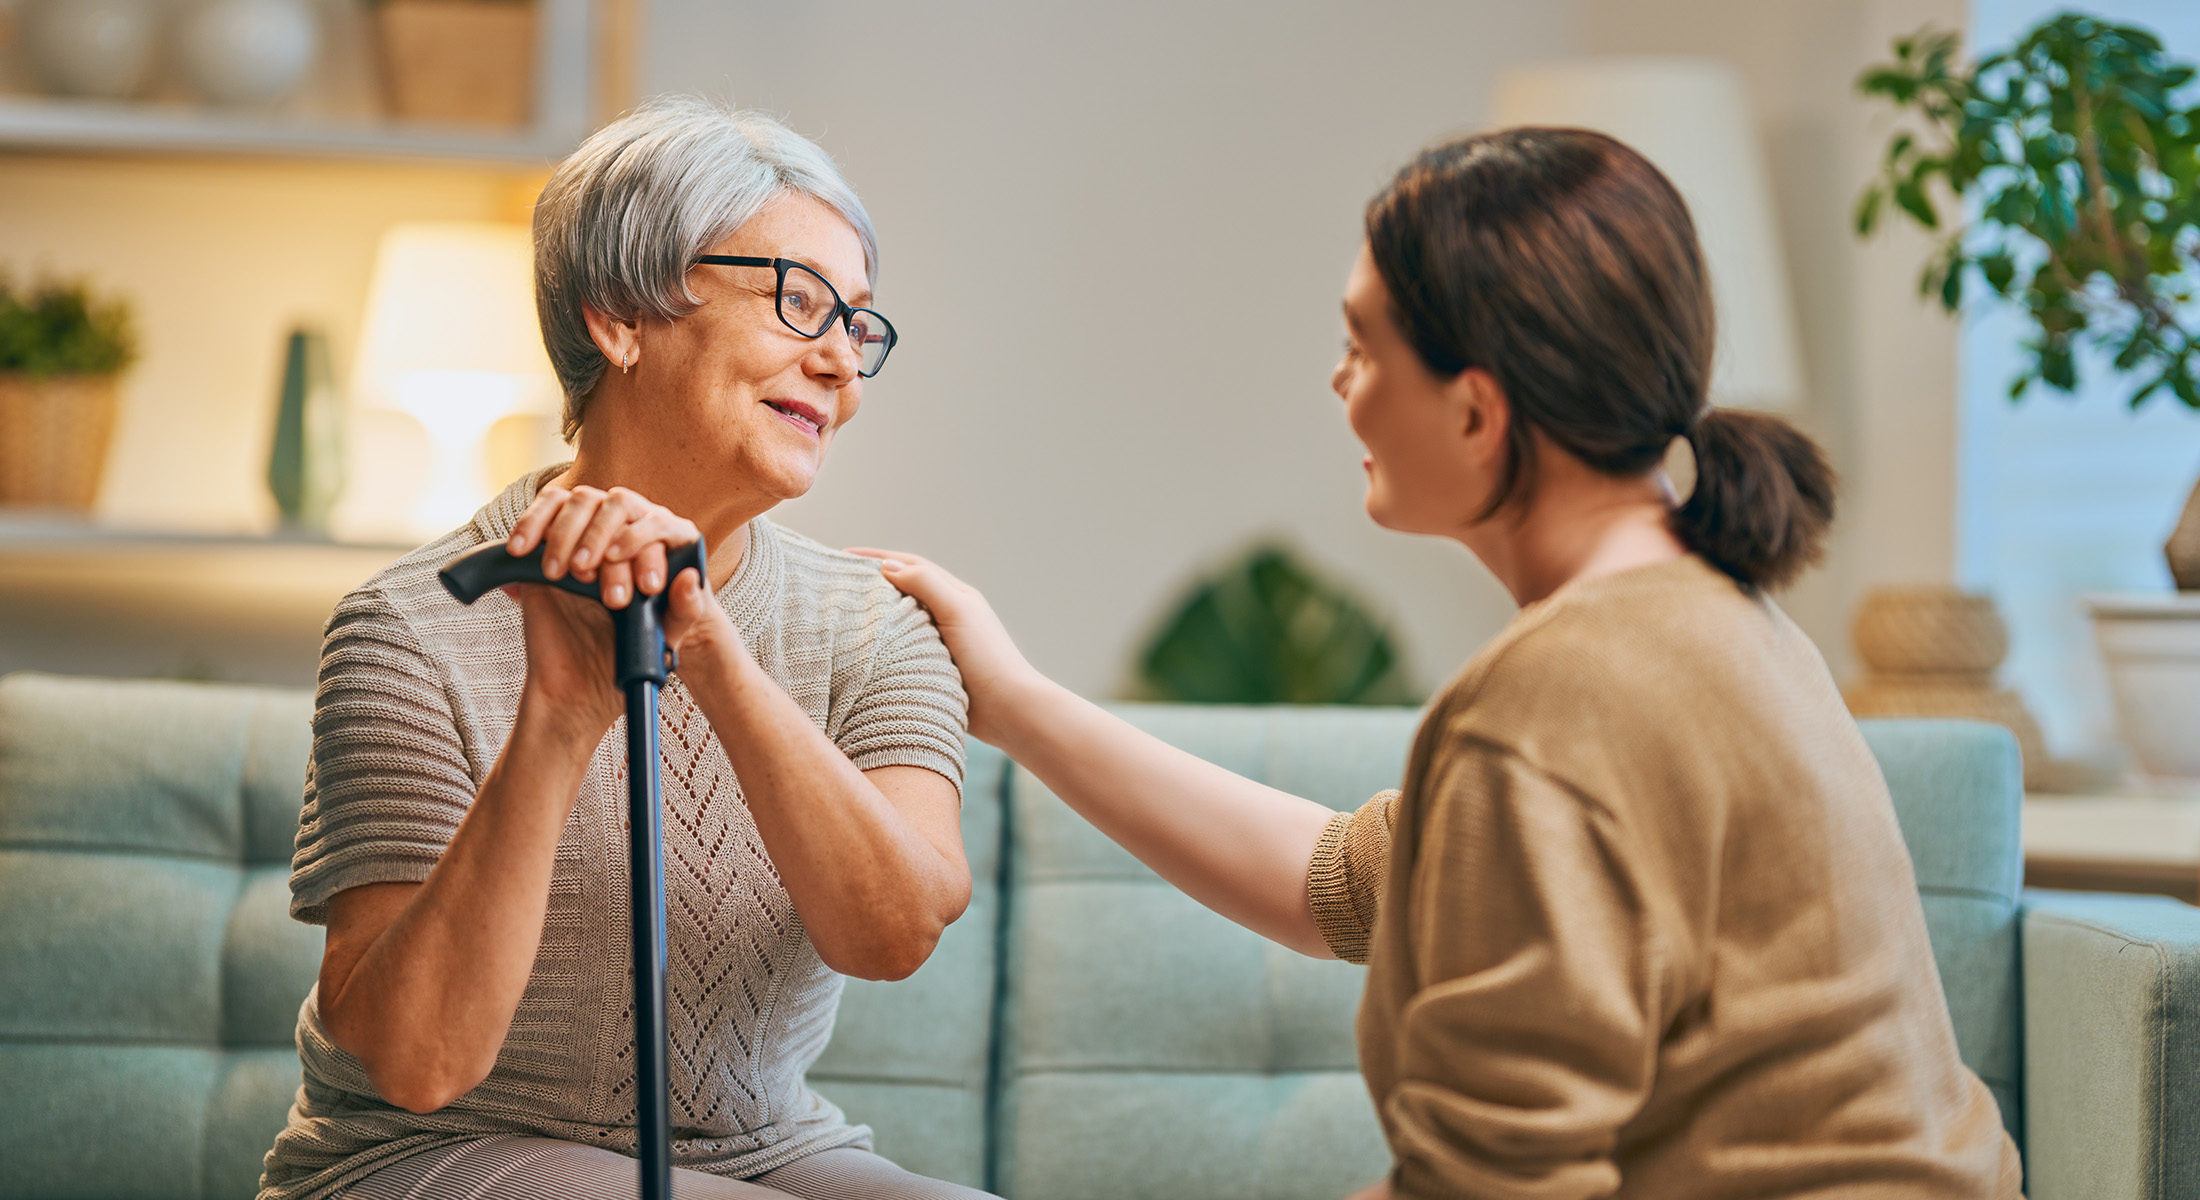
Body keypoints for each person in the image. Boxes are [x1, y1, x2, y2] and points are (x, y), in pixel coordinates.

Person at [855, 128, 2024, 1198]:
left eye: (1362, 344)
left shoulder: (1564, 693)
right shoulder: (1714, 622)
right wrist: (1011, 701)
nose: (1338, 381)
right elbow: (1341, 888)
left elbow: (1492, 1184)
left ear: (1475, 412)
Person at [261, 97, 993, 1200]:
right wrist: (558, 717)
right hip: (429, 1156)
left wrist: (710, 649)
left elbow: (892, 933)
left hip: (765, 1152)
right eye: (800, 302)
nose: (842, 361)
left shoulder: (875, 623)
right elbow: (419, 1064)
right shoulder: (410, 627)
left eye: (857, 322)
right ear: (621, 316)